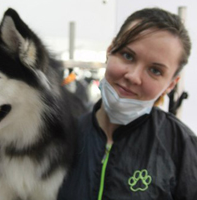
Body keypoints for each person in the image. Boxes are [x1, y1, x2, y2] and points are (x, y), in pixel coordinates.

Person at [57, 7, 197, 200]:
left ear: (170, 84)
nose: (133, 76)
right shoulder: (63, 137)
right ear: (110, 51)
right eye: (127, 56)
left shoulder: (182, 147)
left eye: (155, 71)